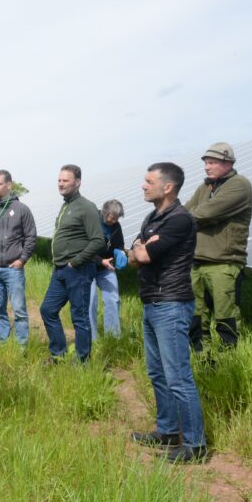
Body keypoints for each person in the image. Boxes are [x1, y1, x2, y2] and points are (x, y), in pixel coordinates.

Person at [128, 162, 207, 464]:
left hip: (171, 303)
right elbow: (135, 256)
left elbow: (144, 254)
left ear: (168, 186)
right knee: (157, 372)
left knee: (178, 377)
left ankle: (195, 444)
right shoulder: (152, 217)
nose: (143, 186)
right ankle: (168, 431)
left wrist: (142, 248)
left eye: (149, 181)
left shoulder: (179, 219)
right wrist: (140, 246)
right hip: (152, 301)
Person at [184, 142, 252, 353]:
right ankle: (202, 359)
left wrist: (194, 213)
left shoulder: (239, 185)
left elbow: (204, 214)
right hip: (196, 262)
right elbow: (185, 212)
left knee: (226, 317)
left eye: (212, 162)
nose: (207, 167)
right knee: (196, 316)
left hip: (224, 262)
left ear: (228, 163)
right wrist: (190, 215)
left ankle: (227, 363)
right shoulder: (205, 187)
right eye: (206, 162)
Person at [41, 165, 104, 363]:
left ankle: (82, 361)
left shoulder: (86, 206)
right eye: (59, 180)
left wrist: (75, 262)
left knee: (79, 317)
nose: (60, 183)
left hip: (78, 270)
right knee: (47, 310)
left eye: (65, 180)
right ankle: (58, 354)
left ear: (77, 182)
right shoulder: (66, 205)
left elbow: (98, 240)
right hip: (60, 270)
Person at [0, 169, 37, 348]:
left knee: (19, 309)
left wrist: (22, 259)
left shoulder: (22, 210)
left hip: (13, 268)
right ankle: (4, 343)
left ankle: (21, 347)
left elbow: (31, 237)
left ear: (9, 185)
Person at [89, 200, 126, 337]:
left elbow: (120, 244)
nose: (114, 221)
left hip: (106, 267)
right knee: (91, 299)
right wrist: (99, 260)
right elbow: (83, 248)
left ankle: (113, 336)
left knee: (113, 298)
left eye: (117, 218)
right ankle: (91, 337)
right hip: (89, 266)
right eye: (112, 217)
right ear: (104, 213)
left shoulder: (116, 226)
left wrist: (120, 253)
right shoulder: (92, 221)